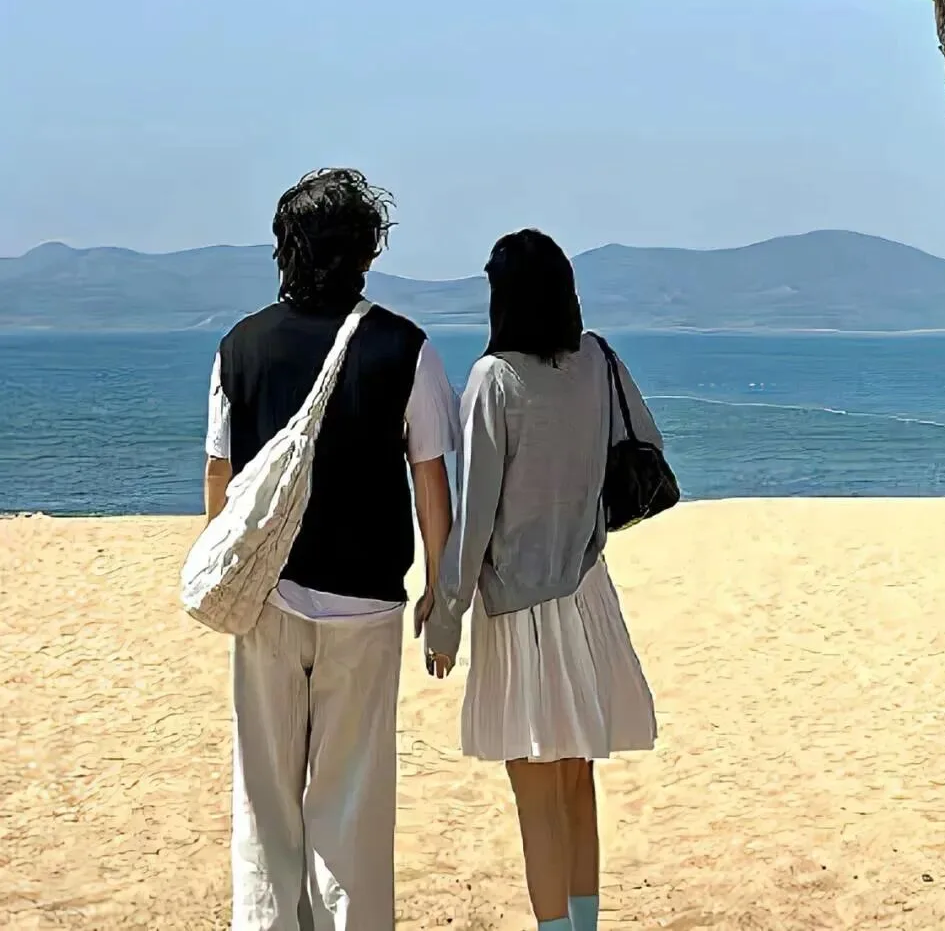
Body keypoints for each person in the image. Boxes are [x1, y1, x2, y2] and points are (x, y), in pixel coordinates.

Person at [203, 167, 459, 931]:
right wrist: (440, 591)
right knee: (352, 800)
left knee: (265, 798)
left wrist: (229, 573)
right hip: (367, 604)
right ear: (367, 251)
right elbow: (431, 482)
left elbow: (220, 475)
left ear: (284, 248)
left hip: (267, 600)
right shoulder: (405, 347)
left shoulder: (239, 347)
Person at [423, 229, 660, 931]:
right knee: (576, 783)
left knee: (535, 796)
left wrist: (445, 617)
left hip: (518, 609)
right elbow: (644, 442)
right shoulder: (597, 359)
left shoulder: (493, 380)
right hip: (587, 594)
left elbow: (475, 518)